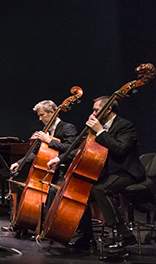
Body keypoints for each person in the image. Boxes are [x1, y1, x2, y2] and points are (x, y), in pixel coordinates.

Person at [47, 96, 145, 251]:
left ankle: (125, 236)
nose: (93, 113)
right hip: (108, 172)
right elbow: (84, 150)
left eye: (96, 110)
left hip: (126, 171)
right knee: (81, 193)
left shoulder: (125, 126)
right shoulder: (99, 128)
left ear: (109, 109)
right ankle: (87, 237)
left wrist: (100, 131)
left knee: (99, 189)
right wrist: (60, 159)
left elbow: (120, 149)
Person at [8, 100, 77, 236]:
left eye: (42, 115)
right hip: (47, 170)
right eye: (39, 116)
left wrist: (49, 141)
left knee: (52, 191)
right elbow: (36, 153)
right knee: (23, 187)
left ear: (52, 112)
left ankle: (48, 228)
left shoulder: (67, 127)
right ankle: (22, 223)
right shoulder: (46, 131)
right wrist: (20, 163)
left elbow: (70, 149)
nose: (40, 119)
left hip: (62, 170)